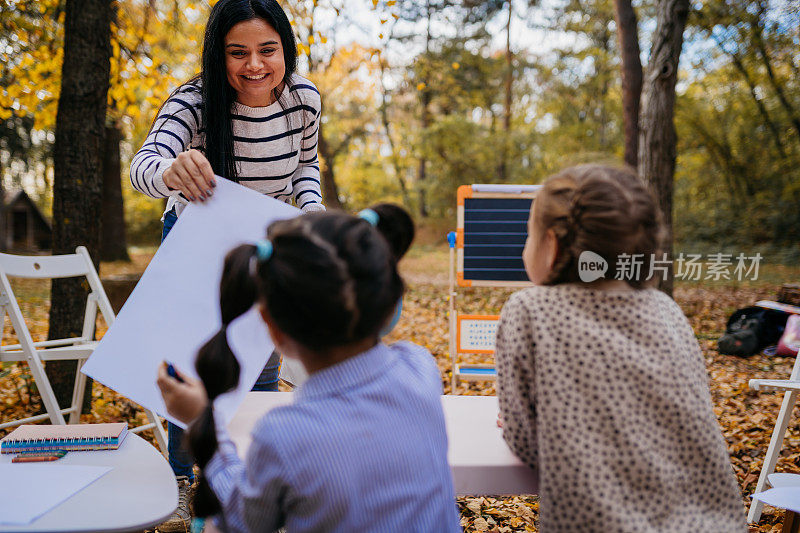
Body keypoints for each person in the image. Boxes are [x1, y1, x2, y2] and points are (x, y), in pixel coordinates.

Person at [130, 1, 324, 529]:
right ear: (219, 55)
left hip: (266, 241)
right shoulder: (192, 101)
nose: (254, 65)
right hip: (196, 239)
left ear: (286, 49)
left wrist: (310, 211)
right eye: (238, 53)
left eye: (268, 50)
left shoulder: (304, 99)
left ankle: (251, 480)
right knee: (193, 362)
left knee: (259, 357)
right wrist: (172, 170)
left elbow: (306, 166)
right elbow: (142, 167)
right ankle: (183, 482)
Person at [156, 205, 461, 533]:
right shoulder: (419, 368)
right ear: (389, 301)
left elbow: (241, 520)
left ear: (274, 331)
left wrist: (205, 423)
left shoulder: (283, 437)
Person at [494, 165, 747, 532]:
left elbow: (526, 443)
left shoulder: (529, 310)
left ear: (552, 244)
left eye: (528, 235)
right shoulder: (665, 309)